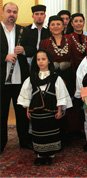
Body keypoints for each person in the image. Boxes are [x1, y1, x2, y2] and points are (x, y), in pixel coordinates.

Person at [17, 49, 72, 165]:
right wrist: (27, 109)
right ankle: (40, 154)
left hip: (51, 112)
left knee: (51, 132)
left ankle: (50, 155)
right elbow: (26, 95)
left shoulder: (56, 78)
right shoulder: (31, 78)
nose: (41, 62)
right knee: (38, 133)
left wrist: (60, 109)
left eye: (43, 59)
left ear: (49, 61)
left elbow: (61, 94)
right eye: (38, 59)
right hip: (37, 113)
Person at [0, 2, 30, 153]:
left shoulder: (23, 31)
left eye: (14, 12)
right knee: (1, 113)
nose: (12, 14)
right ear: (2, 12)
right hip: (2, 80)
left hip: (20, 80)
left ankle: (24, 141)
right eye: (9, 11)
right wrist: (4, 57)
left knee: (22, 114)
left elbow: (32, 49)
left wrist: (24, 50)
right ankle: (1, 143)